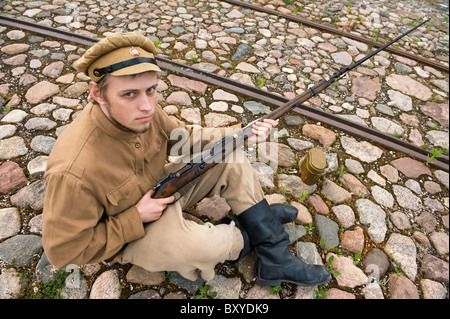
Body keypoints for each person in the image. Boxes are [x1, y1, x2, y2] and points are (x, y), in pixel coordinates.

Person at [42, 32, 331, 287]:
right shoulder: (73, 170)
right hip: (128, 235)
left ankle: (274, 257)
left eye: (151, 90)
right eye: (129, 94)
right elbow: (64, 252)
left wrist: (241, 133)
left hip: (161, 189)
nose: (146, 106)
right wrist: (135, 217)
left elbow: (182, 136)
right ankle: (256, 226)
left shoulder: (142, 112)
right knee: (208, 245)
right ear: (97, 93)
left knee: (231, 156)